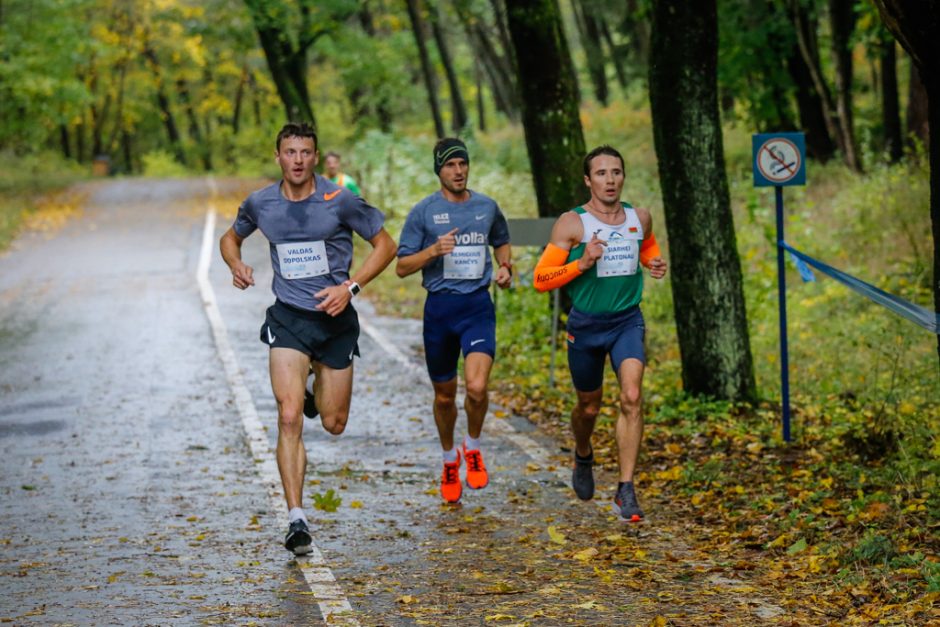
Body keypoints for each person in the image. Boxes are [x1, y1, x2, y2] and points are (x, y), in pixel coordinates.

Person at [220, 122, 396, 554]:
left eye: (305, 152)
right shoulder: (261, 203)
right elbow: (230, 237)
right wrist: (235, 264)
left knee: (334, 424)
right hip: (289, 320)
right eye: (290, 152)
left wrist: (349, 288)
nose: (297, 160)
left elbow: (386, 245)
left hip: (335, 321)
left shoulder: (339, 200)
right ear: (278, 156)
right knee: (287, 415)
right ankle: (296, 518)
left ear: (315, 157)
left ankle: (317, 388)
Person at [533, 145, 667, 522]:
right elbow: (541, 280)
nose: (611, 180)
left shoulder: (640, 217)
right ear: (588, 180)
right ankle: (583, 451)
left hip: (627, 321)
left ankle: (626, 489)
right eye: (603, 173)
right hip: (586, 326)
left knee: (632, 395)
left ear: (624, 176)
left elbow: (646, 245)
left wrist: (651, 261)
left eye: (617, 172)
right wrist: (582, 262)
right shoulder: (572, 223)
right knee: (588, 407)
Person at [396, 137, 512, 504]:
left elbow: (502, 240)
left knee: (477, 388)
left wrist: (506, 267)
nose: (458, 171)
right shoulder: (423, 213)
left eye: (462, 164)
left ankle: (473, 446)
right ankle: (450, 458)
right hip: (440, 310)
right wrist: (432, 251)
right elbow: (401, 266)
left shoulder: (486, 207)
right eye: (450, 165)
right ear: (439, 170)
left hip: (477, 305)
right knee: (444, 397)